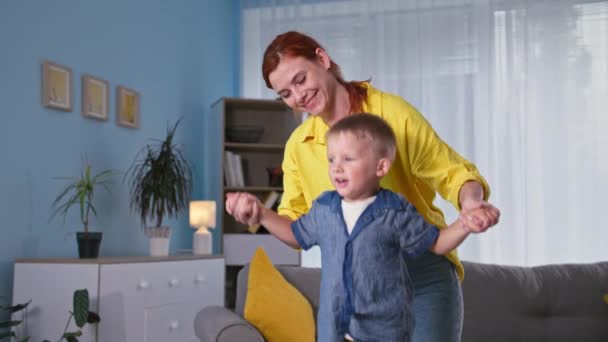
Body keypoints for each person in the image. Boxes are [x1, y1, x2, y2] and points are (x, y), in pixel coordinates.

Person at [227, 31, 500, 341]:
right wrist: (260, 213)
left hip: (421, 281)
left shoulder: (392, 114)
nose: (299, 97)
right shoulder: (298, 147)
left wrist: (471, 205)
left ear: (322, 59)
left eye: (301, 79)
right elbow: (297, 227)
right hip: (357, 298)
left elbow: (455, 175)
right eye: (286, 93)